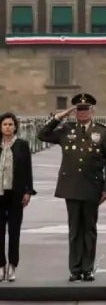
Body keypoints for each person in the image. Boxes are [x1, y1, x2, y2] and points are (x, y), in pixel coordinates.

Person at [37, 93, 106, 282]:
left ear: (92, 111)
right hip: (71, 186)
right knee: (74, 230)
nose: (82, 113)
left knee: (89, 228)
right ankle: (75, 269)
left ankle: (87, 269)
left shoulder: (102, 131)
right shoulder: (66, 130)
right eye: (78, 110)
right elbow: (42, 135)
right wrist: (59, 117)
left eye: (85, 109)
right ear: (74, 112)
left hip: (92, 186)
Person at [0, 112, 36, 282]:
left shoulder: (22, 145)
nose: (8, 127)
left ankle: (12, 265)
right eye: (5, 124)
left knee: (14, 232)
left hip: (15, 195)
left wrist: (28, 191)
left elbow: (28, 170)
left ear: (15, 127)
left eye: (10, 124)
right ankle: (1, 266)